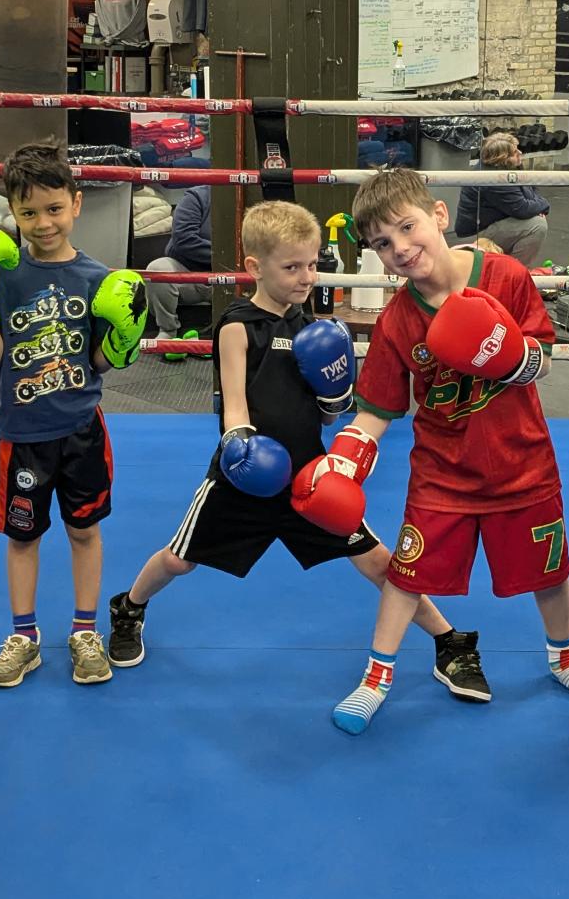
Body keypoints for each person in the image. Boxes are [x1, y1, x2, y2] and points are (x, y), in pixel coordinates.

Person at [108, 201, 468, 669]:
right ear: (256, 267)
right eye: (292, 267)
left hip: (308, 479)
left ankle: (448, 638)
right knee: (178, 560)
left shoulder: (312, 328)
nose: (307, 277)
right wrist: (243, 448)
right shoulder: (237, 326)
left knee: (376, 560)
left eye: (312, 264)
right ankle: (129, 607)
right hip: (242, 477)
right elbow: (233, 407)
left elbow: (324, 419)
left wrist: (336, 395)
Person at [327, 168, 569, 733]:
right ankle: (377, 676)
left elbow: (547, 357)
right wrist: (341, 463)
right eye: (383, 244)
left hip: (521, 462)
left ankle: (565, 659)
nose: (401, 249)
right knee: (408, 573)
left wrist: (508, 356)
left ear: (438, 215)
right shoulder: (396, 320)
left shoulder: (504, 276)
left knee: (550, 571)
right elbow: (378, 409)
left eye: (407, 228)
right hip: (442, 473)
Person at [0, 142, 149, 688]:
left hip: (81, 428)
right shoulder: (3, 273)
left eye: (53, 209)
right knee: (22, 537)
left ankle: (85, 630)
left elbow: (96, 364)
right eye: (28, 212)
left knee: (84, 530)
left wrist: (119, 344)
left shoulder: (95, 278)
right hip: (21, 433)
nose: (43, 223)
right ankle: (24, 636)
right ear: (12, 213)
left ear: (76, 204)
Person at [453, 133, 551, 264]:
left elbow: (531, 192)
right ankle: (514, 273)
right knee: (537, 225)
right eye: (515, 152)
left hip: (495, 224)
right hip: (476, 235)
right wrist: (544, 205)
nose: (520, 152)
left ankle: (508, 269)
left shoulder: (508, 167)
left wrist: (538, 208)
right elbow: (522, 209)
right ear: (504, 157)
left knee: (535, 218)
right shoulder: (493, 179)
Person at [145, 184, 212, 351]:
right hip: (188, 272)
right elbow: (184, 240)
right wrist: (224, 254)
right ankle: (168, 330)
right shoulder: (197, 196)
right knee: (157, 269)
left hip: (230, 274)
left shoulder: (248, 199)